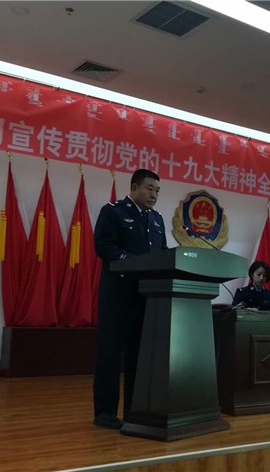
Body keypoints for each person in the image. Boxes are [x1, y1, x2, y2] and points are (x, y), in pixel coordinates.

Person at [92, 168, 167, 429]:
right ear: (134, 187)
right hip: (117, 295)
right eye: (150, 189)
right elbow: (103, 246)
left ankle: (136, 410)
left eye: (157, 191)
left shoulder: (156, 219)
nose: (154, 195)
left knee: (139, 355)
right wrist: (135, 263)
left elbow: (163, 253)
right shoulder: (113, 212)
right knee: (110, 354)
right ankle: (105, 413)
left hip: (147, 297)